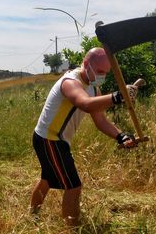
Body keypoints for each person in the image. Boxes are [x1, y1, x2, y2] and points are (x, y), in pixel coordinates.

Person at [29, 47, 138, 227]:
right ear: (86, 65)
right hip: (50, 139)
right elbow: (85, 104)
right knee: (73, 186)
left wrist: (120, 136)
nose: (103, 75)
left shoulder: (93, 88)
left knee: (48, 179)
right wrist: (119, 97)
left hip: (55, 140)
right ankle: (72, 229)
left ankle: (31, 216)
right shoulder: (70, 82)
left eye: (106, 72)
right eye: (100, 71)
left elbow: (100, 119)